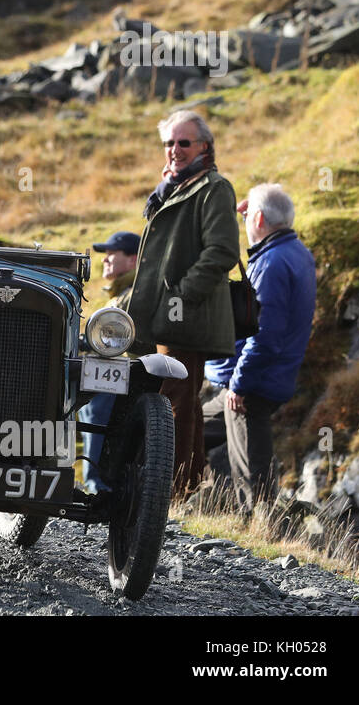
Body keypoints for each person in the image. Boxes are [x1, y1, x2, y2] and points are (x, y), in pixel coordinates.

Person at [123, 109, 240, 497]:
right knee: (181, 400)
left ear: (204, 146)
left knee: (174, 400)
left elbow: (221, 251)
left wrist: (180, 295)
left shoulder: (213, 187)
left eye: (183, 142)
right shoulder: (175, 186)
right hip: (165, 313)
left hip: (183, 314)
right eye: (169, 143)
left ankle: (167, 491)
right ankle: (185, 487)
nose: (174, 150)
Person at [202, 184, 316, 511]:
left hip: (253, 384)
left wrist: (239, 384)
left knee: (253, 470)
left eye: (248, 215)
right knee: (187, 429)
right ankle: (170, 495)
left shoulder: (273, 262)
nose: (245, 222)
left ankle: (262, 529)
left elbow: (266, 336)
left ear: (260, 218)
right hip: (261, 378)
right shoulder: (295, 253)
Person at [79, 230, 140, 494]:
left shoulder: (132, 295)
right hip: (121, 370)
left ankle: (95, 482)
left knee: (97, 398)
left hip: (127, 374)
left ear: (133, 260)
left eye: (112, 254)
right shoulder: (123, 292)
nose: (105, 260)